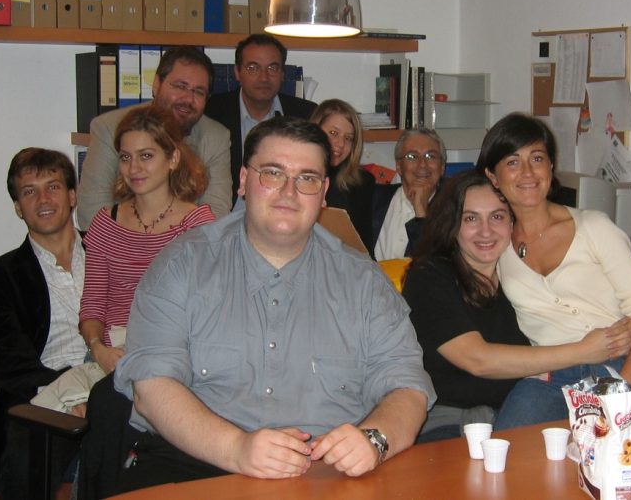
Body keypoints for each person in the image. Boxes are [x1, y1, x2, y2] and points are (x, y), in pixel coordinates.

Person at [112, 116, 434, 492]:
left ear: (324, 191)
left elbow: (408, 387)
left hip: (328, 473)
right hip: (197, 464)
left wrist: (375, 439)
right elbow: (152, 388)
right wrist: (236, 448)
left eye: (307, 179)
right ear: (244, 181)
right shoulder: (182, 265)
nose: (289, 192)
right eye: (273, 173)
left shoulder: (364, 282)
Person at [402, 170, 631, 440]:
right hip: (452, 417)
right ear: (451, 224)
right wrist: (585, 350)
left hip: (525, 404)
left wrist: (628, 327)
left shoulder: (516, 275)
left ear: (513, 221)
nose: (486, 231)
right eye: (470, 218)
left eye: (497, 216)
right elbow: (478, 360)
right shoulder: (429, 276)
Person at [475, 113, 631, 428]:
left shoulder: (593, 226)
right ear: (493, 176)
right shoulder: (494, 245)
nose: (527, 172)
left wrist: (615, 394)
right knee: (509, 458)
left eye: (537, 158)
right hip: (549, 379)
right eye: (513, 162)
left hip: (621, 368)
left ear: (551, 167)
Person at [0, 148, 87, 497]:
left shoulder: (109, 253)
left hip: (113, 384)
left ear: (72, 195)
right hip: (45, 395)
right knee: (28, 452)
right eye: (29, 191)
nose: (43, 199)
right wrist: (67, 394)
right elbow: (4, 359)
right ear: (17, 207)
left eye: (53, 186)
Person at [79, 105, 216, 374]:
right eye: (126, 157)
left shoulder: (197, 227)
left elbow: (205, 313)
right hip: (109, 357)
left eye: (146, 156)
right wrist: (98, 350)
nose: (134, 168)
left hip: (172, 358)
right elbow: (92, 305)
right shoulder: (106, 223)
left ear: (173, 158)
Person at [78, 46, 231, 230]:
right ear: (156, 84)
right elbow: (92, 213)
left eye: (198, 92)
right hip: (122, 251)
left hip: (189, 254)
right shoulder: (110, 128)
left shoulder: (216, 137)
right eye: (180, 86)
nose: (188, 99)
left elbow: (216, 218)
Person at [204, 33, 317, 203]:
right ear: (237, 72)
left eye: (272, 68)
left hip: (285, 212)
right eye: (253, 68)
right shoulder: (212, 111)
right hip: (227, 214)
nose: (264, 77)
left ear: (282, 74)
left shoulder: (306, 114)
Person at [311, 99, 375, 249]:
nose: (340, 144)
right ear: (315, 131)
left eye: (348, 138)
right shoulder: (294, 176)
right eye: (333, 133)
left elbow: (364, 247)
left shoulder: (362, 183)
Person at [373, 128, 446, 260]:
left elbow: (432, 268)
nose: (422, 164)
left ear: (442, 168)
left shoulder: (454, 210)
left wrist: (421, 213)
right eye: (412, 156)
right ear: (399, 166)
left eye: (431, 156)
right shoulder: (374, 199)